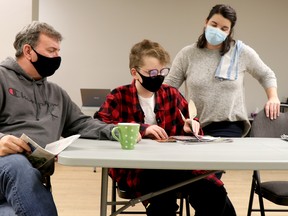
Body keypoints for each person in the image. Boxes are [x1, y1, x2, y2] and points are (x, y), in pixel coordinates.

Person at [94, 39, 236, 216]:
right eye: (152, 72)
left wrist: (191, 127)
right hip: (139, 169)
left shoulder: (171, 94)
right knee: (163, 203)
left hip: (176, 165)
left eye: (162, 71)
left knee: (215, 194)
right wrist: (142, 129)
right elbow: (99, 125)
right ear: (135, 72)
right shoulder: (118, 96)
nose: (159, 76)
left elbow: (194, 127)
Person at [0, 21, 116, 216]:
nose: (57, 57)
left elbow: (81, 123)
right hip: (7, 165)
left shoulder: (56, 93)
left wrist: (114, 131)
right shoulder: (2, 78)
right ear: (28, 51)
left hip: (32, 180)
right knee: (18, 164)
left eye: (58, 51)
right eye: (51, 50)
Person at [164, 4, 280, 138]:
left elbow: (266, 75)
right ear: (206, 22)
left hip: (228, 126)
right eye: (214, 25)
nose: (217, 30)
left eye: (224, 28)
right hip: (194, 127)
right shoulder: (187, 54)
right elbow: (167, 90)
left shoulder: (240, 52)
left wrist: (273, 98)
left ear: (229, 32)